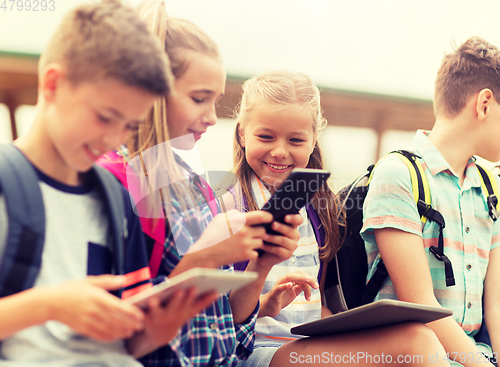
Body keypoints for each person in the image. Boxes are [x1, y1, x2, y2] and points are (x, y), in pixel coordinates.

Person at [0, 1, 217, 365]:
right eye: (105, 117)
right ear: (53, 84)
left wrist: (157, 332)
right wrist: (49, 305)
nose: (113, 137)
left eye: (130, 125)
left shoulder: (116, 199)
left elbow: (125, 345)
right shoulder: (8, 185)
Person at [97, 2, 302, 366]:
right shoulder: (112, 184)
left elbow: (228, 336)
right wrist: (205, 257)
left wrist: (260, 266)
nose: (210, 118)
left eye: (216, 101)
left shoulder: (198, 189)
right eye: (198, 98)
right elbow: (116, 339)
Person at [221, 69, 449, 367]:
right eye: (266, 136)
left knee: (417, 337)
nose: (279, 151)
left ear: (314, 139)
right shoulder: (227, 209)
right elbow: (223, 317)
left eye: (295, 140)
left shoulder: (319, 210)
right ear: (241, 133)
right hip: (256, 351)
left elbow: (318, 305)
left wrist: (351, 324)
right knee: (416, 345)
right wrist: (265, 301)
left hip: (302, 345)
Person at [361, 36, 500, 367]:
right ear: (484, 104)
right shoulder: (397, 174)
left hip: (475, 359)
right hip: (414, 355)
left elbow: (495, 304)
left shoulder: (490, 187)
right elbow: (421, 305)